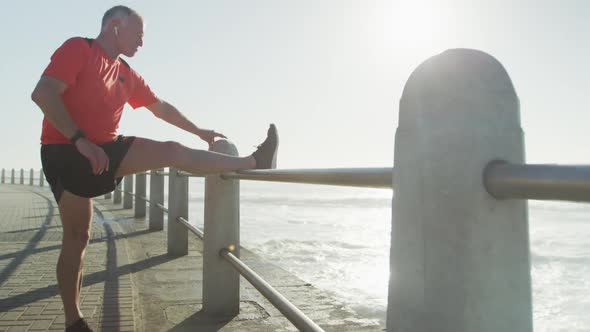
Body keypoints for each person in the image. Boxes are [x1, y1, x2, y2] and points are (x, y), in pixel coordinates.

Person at [31, 5, 278, 332]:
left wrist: (199, 131)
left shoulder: (125, 72)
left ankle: (253, 162)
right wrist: (81, 141)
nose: (142, 43)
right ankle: (73, 320)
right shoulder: (79, 49)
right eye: (139, 35)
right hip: (65, 149)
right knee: (77, 237)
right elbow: (43, 93)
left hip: (108, 147)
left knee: (173, 151)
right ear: (116, 27)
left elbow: (160, 108)